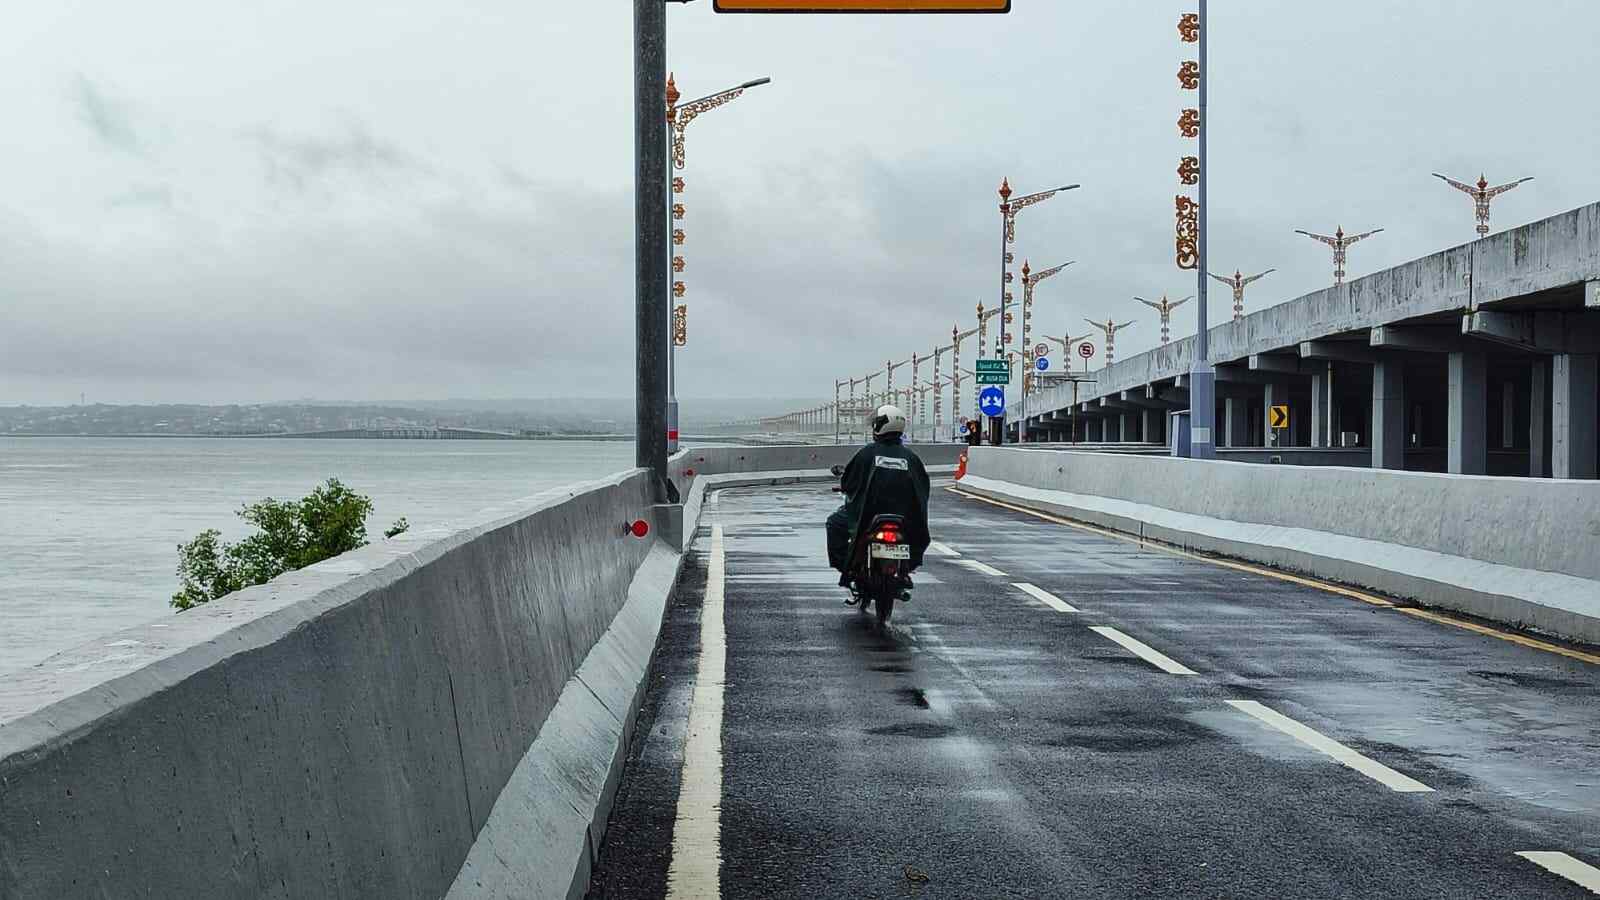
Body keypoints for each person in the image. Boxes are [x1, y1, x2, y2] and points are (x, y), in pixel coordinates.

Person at [826, 405, 932, 589]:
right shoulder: (911, 458)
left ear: (878, 426)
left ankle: (847, 568)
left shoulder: (867, 453)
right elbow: (923, 489)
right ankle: (906, 570)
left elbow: (849, 482)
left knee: (834, 523)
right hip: (904, 516)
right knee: (914, 533)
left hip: (866, 514)